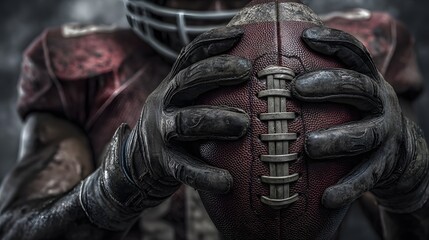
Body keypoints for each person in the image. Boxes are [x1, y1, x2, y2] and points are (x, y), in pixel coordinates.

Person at [0, 0, 427, 239]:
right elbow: (17, 230)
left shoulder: (349, 54)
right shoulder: (84, 64)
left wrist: (412, 183)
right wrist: (120, 179)